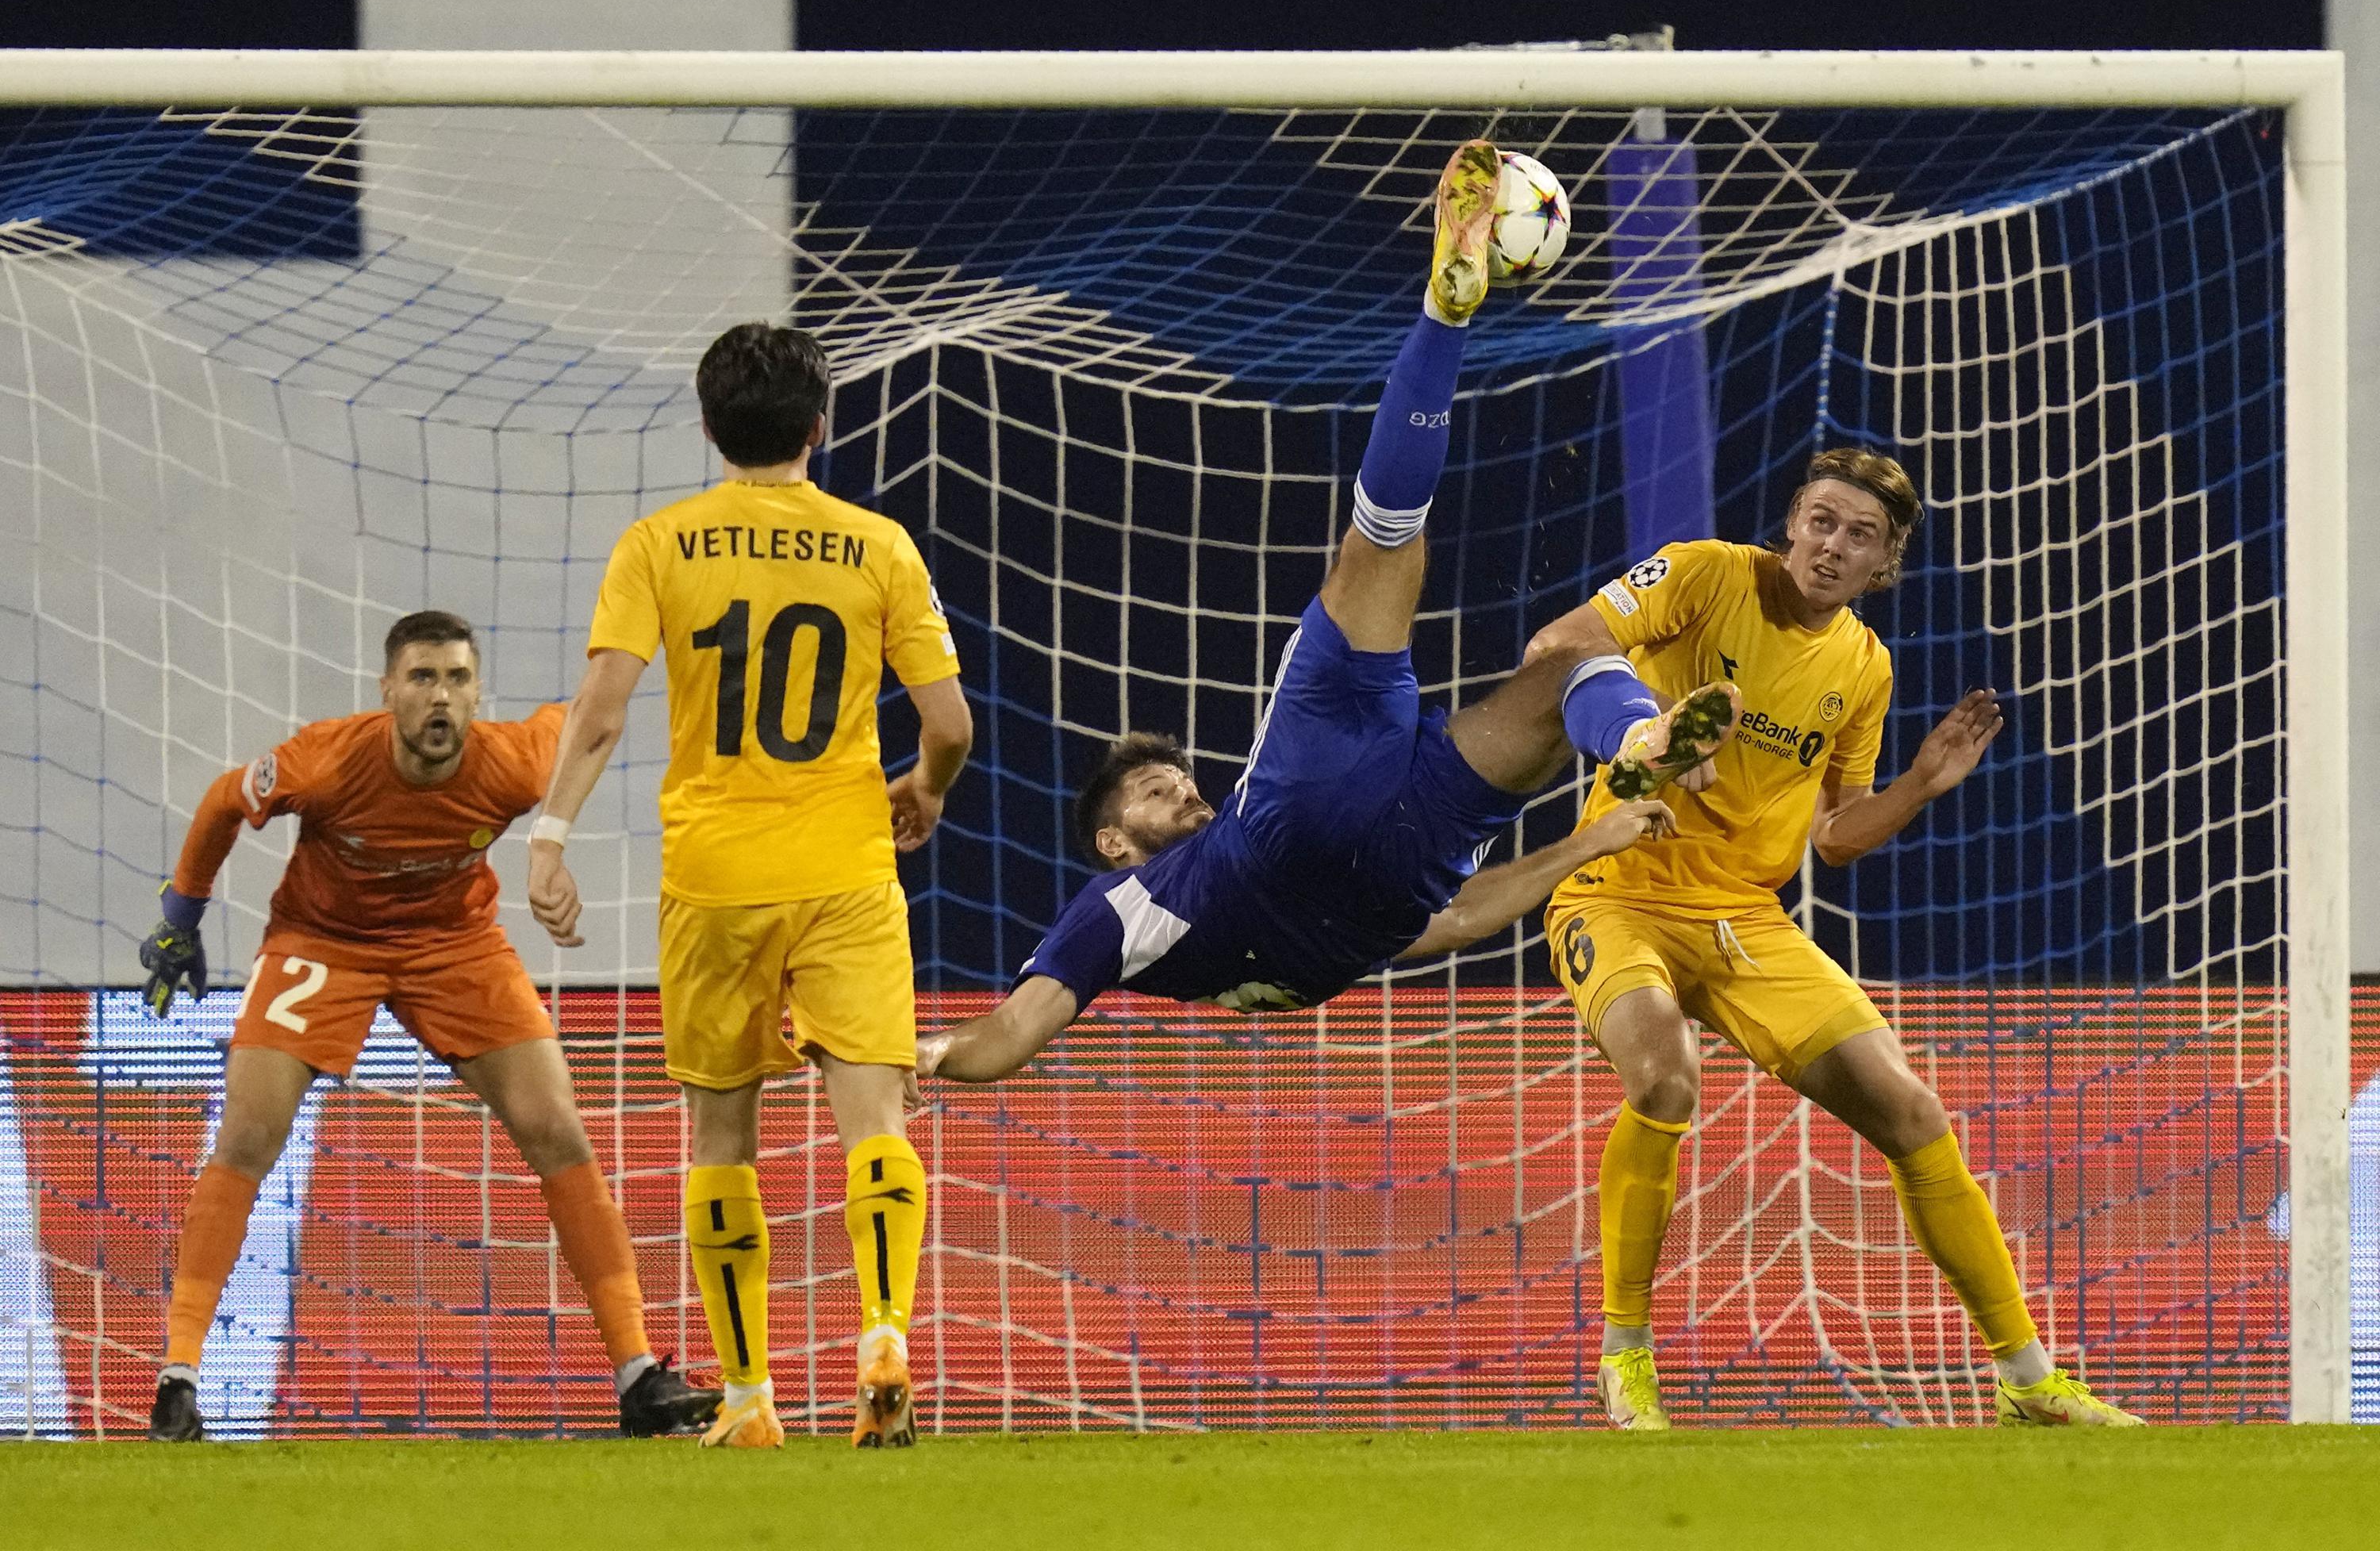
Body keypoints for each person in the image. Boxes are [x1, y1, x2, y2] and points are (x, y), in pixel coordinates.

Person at [915, 140, 1730, 1086]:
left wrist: (1592, 835)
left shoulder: (1192, 907)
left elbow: (1453, 924)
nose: (1182, 787)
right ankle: (1441, 313)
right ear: (1110, 841)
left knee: (1553, 665)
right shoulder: (1115, 906)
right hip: (1305, 826)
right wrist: (922, 1055)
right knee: (1379, 543)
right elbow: (1008, 1034)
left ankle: (1638, 738)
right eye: (1153, 792)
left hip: (1352, 822)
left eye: (1177, 776)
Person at [1537, 449, 2144, 1429]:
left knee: (1910, 1111)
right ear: (1791, 522)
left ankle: (2030, 1377)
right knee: (1665, 1075)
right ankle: (1625, 1355)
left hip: (1743, 918)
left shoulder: (1865, 665)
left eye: (1859, 534)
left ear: (1886, 559)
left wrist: (1918, 786)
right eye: (1821, 520)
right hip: (1617, 886)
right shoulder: (1700, 572)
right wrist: (1645, 733)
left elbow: (1836, 835)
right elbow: (1558, 643)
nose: (1832, 544)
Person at [527, 322, 973, 1450]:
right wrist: (919, 786)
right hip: (845, 866)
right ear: (820, 425)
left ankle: (748, 1399)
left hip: (715, 880)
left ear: (709, 426)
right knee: (875, 1121)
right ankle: (883, 1330)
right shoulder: (878, 546)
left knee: (720, 1140)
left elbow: (605, 708)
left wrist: (550, 835)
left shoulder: (659, 545)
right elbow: (952, 726)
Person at [135, 610, 718, 1442]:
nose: (439, 696)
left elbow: (591, 717)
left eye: (455, 678)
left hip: (453, 943)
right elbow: (226, 797)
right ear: (389, 691)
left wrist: (550, 842)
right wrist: (181, 917)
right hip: (321, 942)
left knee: (558, 1126)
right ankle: (177, 1379)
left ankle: (639, 1374)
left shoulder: (512, 760)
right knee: (248, 1133)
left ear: (478, 693)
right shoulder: (330, 758)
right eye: (421, 678)